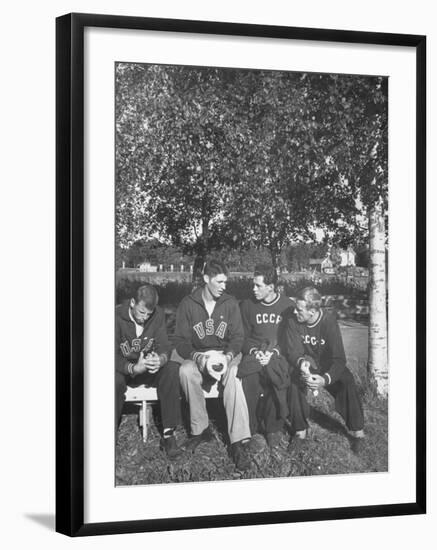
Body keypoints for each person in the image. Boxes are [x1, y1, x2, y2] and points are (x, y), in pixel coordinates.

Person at [173, 259, 254, 470]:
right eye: (219, 281)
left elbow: (238, 337)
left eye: (225, 282)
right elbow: (180, 341)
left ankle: (237, 442)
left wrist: (227, 357)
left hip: (225, 355)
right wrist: (197, 357)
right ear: (206, 279)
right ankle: (200, 430)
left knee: (235, 375)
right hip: (200, 355)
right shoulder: (188, 304)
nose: (223, 286)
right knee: (185, 371)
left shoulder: (230, 303)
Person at [281, 286, 365, 453]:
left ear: (312, 311)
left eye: (300, 310)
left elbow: (339, 359)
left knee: (347, 381)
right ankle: (300, 432)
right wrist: (301, 363)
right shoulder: (292, 320)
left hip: (328, 366)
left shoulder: (328, 322)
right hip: (306, 364)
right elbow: (292, 351)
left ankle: (357, 433)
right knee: (293, 382)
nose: (295, 312)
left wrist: (324, 379)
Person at [115, 284, 183, 459]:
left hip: (147, 368)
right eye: (141, 312)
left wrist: (159, 360)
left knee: (171, 368)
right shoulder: (115, 316)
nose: (144, 318)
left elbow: (165, 346)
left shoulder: (158, 314)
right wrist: (132, 368)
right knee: (113, 380)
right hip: (124, 369)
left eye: (148, 314)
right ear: (132, 302)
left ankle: (169, 435)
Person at [239, 264, 294, 449]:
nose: (253, 289)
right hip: (254, 353)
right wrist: (255, 351)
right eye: (253, 285)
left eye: (258, 286)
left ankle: (273, 427)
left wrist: (273, 353)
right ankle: (251, 428)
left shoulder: (287, 306)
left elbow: (290, 341)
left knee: (276, 375)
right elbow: (242, 338)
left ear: (271, 287)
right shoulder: (247, 305)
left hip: (277, 354)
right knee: (249, 376)